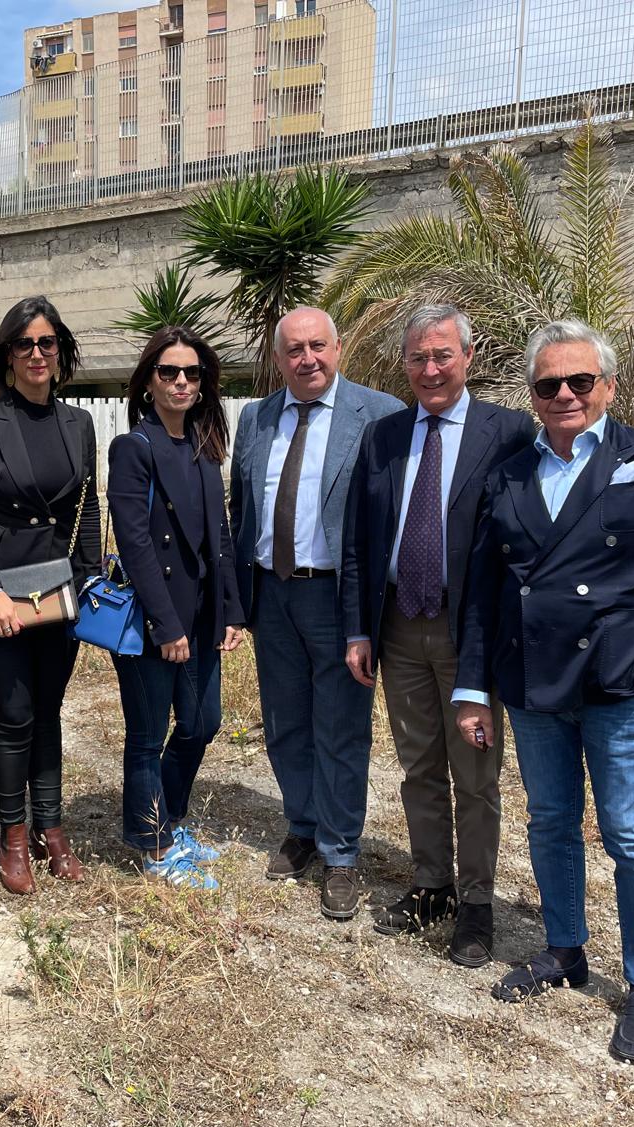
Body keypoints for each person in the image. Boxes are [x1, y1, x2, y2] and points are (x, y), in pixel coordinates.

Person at [454, 319, 634, 1063]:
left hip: (622, 683)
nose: (565, 395)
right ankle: (564, 949)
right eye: (549, 385)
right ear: (533, 395)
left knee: (631, 835)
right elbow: (484, 593)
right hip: (531, 682)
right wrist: (472, 689)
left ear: (608, 387)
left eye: (580, 381)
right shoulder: (509, 474)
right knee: (549, 822)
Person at [341, 304, 535, 966]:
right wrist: (357, 629)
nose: (430, 369)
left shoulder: (508, 432)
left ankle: (477, 904)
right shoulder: (385, 436)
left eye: (442, 355)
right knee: (418, 765)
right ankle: (433, 885)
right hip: (398, 626)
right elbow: (359, 541)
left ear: (469, 357)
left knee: (474, 773)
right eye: (418, 358)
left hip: (469, 632)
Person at [229, 307, 399, 920]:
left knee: (341, 725)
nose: (308, 359)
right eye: (294, 350)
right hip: (271, 593)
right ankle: (302, 825)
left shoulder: (378, 415)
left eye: (318, 346)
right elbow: (240, 508)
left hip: (338, 597)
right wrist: (236, 601)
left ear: (339, 347)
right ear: (278, 360)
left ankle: (342, 852)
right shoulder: (256, 417)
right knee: (284, 721)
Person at [0, 296, 101, 894]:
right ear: (6, 355)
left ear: (60, 352)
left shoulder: (78, 423)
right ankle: (13, 834)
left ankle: (51, 827)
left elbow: (86, 510)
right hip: (1, 593)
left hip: (57, 591)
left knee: (50, 711)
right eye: (24, 344)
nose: (37, 353)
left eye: (47, 343)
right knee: (14, 713)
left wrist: (88, 580)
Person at [108, 327, 245, 888]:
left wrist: (233, 609)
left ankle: (170, 817)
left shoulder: (203, 445)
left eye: (192, 373)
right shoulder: (132, 448)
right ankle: (155, 843)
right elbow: (136, 543)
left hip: (202, 615)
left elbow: (221, 535)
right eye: (169, 372)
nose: (182, 382)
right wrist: (165, 624)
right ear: (148, 382)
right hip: (153, 619)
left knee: (201, 723)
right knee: (146, 734)